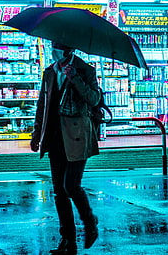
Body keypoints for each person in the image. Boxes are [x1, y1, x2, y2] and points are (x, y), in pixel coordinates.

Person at [30, 42, 102, 255]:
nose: (54, 49)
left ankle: (89, 221)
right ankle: (68, 239)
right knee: (59, 192)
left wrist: (75, 79)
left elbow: (94, 98)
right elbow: (43, 104)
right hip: (54, 137)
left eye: (58, 46)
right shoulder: (50, 71)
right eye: (53, 45)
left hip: (77, 135)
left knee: (71, 185)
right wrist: (36, 133)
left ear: (69, 49)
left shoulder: (85, 70)